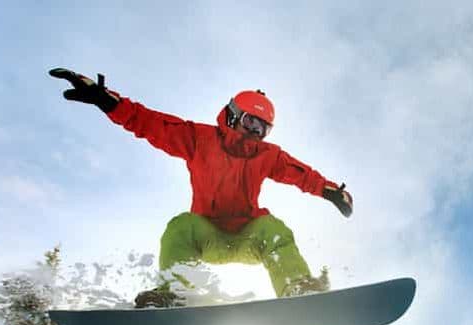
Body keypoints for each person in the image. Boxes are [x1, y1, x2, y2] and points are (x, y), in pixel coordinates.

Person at [49, 68, 353, 308]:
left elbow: (299, 173)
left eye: (263, 128)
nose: (255, 133)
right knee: (180, 226)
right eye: (251, 123)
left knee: (275, 229)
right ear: (233, 115)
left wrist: (329, 191)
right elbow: (151, 124)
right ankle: (176, 294)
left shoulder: (267, 155)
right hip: (206, 235)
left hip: (249, 236)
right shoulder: (198, 139)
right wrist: (107, 100)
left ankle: (295, 288)